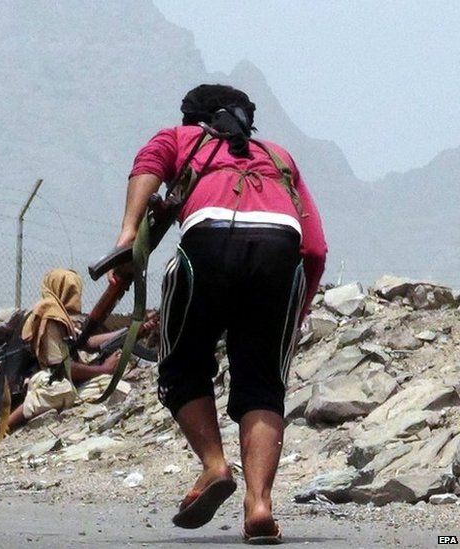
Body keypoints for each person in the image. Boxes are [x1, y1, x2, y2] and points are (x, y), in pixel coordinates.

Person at [113, 84, 326, 542]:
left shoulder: (179, 138)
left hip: (209, 240)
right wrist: (297, 309)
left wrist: (129, 231)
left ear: (194, 119)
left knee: (181, 364)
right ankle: (260, 504)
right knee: (263, 382)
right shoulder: (279, 156)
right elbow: (314, 247)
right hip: (279, 249)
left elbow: (148, 166)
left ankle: (214, 466)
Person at [6, 269, 135, 430]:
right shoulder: (50, 316)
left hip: (62, 378)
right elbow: (62, 368)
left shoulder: (61, 314)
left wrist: (132, 331)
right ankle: (5, 425)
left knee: (116, 386)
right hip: (43, 381)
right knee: (60, 388)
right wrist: (104, 369)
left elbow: (86, 342)